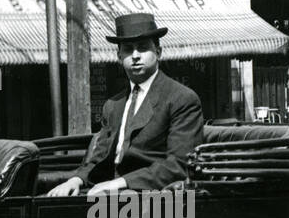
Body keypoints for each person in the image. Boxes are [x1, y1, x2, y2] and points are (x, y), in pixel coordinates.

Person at [47, 12, 204, 197]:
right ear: (119, 56)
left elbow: (179, 165)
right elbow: (100, 156)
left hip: (151, 195)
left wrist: (119, 183)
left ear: (158, 52)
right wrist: (75, 180)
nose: (135, 56)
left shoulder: (181, 99)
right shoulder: (113, 105)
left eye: (143, 48)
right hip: (106, 190)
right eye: (128, 49)